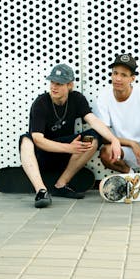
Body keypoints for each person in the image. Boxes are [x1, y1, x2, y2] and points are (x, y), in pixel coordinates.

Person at [19, 64, 121, 208]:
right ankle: (41, 191)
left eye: (59, 84)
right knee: (26, 139)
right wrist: (68, 148)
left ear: (70, 85)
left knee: (93, 136)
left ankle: (61, 185)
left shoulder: (77, 99)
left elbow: (93, 120)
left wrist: (114, 139)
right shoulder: (41, 103)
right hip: (43, 154)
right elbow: (38, 140)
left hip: (66, 156)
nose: (54, 87)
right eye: (52, 82)